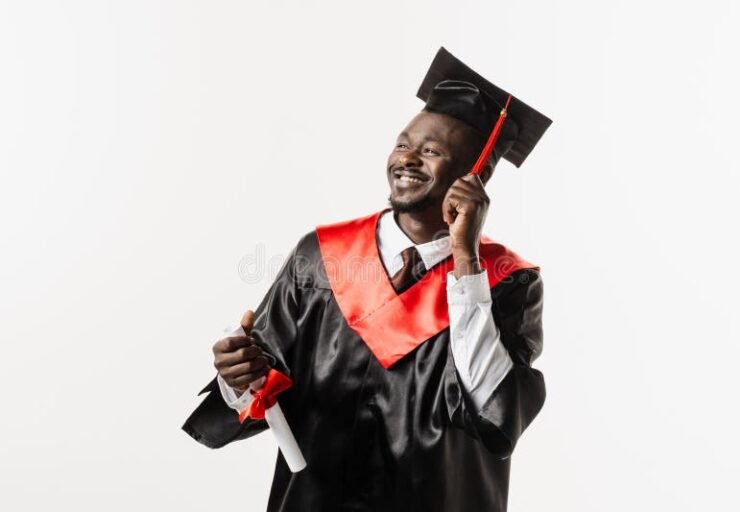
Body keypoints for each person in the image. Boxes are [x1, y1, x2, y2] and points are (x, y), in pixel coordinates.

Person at [182, 47, 552, 512]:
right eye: (403, 144)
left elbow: (495, 413)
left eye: (433, 151)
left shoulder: (506, 282)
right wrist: (238, 379)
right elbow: (264, 387)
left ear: (477, 175)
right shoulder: (321, 256)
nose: (409, 160)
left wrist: (465, 257)